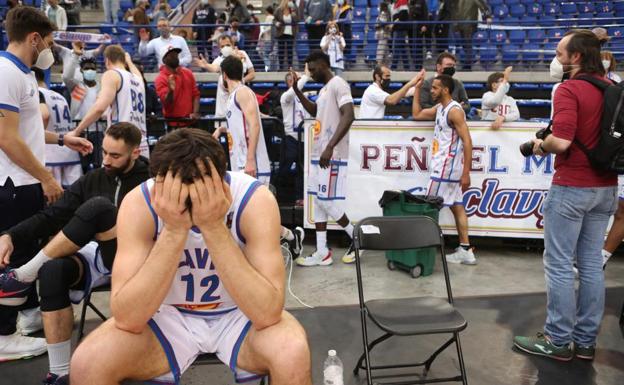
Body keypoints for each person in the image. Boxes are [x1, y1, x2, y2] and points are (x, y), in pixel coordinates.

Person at [69, 128, 312, 385]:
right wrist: (174, 230)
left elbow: (267, 313)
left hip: (240, 315)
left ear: (221, 181)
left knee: (292, 352)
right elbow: (127, 317)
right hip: (167, 316)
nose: (188, 200)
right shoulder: (139, 202)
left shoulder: (253, 199)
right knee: (88, 362)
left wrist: (214, 227)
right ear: (159, 183)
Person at [0, 123, 148, 384]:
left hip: (137, 259)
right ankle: (59, 372)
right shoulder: (94, 178)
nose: (106, 161)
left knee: (100, 208)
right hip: (99, 257)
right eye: (104, 152)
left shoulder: (152, 179)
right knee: (53, 271)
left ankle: (22, 277)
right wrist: (11, 235)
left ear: (135, 153)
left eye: (115, 156)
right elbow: (52, 215)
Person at [513, 30, 616, 362]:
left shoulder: (569, 88)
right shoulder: (612, 88)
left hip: (573, 186)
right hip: (606, 187)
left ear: (575, 57)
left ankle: (557, 339)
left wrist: (541, 144)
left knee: (558, 264)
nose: (555, 60)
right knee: (590, 265)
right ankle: (585, 342)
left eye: (559, 54)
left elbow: (564, 141)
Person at [0, 6, 91, 363]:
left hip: (23, 181)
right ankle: (4, 336)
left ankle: (23, 317)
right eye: (49, 42)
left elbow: (27, 131)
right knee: (11, 257)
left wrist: (63, 139)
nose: (50, 50)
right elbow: (6, 138)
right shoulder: (6, 71)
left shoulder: (20, 74)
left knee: (23, 254)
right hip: (14, 183)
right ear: (34, 38)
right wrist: (47, 177)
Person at [289, 51, 356, 266]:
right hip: (320, 153)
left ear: (324, 64)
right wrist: (297, 92)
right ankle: (321, 251)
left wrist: (330, 146)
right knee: (318, 201)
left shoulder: (339, 84)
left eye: (313, 68)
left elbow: (349, 114)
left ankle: (357, 237)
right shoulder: (325, 90)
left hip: (332, 153)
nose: (312, 72)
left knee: (325, 201)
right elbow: (315, 111)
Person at [412, 71, 476, 265]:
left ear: (445, 90)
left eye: (435, 87)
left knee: (428, 208)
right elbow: (417, 114)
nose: (431, 91)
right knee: (458, 207)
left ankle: (422, 250)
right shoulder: (440, 107)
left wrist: (466, 173)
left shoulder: (454, 111)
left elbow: (467, 141)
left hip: (445, 169)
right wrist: (416, 89)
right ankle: (465, 250)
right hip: (446, 168)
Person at [69, 45, 149, 158]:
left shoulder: (112, 74)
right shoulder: (138, 79)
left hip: (121, 139)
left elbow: (99, 108)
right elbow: (136, 72)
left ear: (107, 60)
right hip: (141, 141)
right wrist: (129, 61)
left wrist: (77, 131)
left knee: (109, 175)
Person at [212, 56, 271, 183]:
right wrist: (222, 130)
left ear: (224, 75)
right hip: (240, 163)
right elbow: (240, 125)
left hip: (251, 165)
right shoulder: (232, 96)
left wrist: (250, 160)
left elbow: (254, 125)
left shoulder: (242, 92)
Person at [34, 68, 83, 188]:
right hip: (69, 149)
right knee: (74, 194)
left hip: (50, 152)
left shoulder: (35, 93)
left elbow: (45, 115)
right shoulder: (59, 95)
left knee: (54, 198)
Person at [194, 34, 256, 118]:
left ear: (233, 45)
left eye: (228, 45)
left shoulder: (242, 54)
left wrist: (241, 82)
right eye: (222, 46)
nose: (225, 48)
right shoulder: (218, 60)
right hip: (224, 100)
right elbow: (215, 68)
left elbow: (252, 74)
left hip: (240, 95)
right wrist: (206, 65)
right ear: (219, 48)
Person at [278, 68, 310, 202]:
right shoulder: (286, 97)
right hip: (291, 138)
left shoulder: (302, 98)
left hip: (303, 138)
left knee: (302, 170)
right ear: (289, 82)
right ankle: (278, 195)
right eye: (294, 80)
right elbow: (293, 91)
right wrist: (306, 76)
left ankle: (300, 197)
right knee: (285, 169)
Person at [154, 46, 201, 129]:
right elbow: (166, 102)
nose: (175, 57)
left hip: (190, 122)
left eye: (176, 54)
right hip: (173, 124)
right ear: (164, 60)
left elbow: (196, 94)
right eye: (171, 55)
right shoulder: (160, 78)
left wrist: (195, 112)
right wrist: (171, 91)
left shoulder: (188, 72)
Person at [451, 0, 492, 70]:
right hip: (460, 23)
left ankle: (468, 65)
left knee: (467, 43)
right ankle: (468, 63)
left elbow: (483, 6)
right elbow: (454, 11)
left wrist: (488, 16)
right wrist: (455, 25)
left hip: (469, 23)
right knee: (465, 44)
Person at [274, 0, 298, 71]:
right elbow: (274, 19)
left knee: (290, 50)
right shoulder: (279, 10)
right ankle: (281, 67)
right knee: (281, 50)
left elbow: (297, 20)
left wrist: (293, 12)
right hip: (281, 33)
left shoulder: (294, 9)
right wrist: (276, 23)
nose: (290, 1)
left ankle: (290, 67)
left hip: (291, 33)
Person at [391, 0, 412, 71]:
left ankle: (393, 68)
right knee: (402, 50)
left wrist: (393, 24)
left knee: (396, 48)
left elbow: (404, 15)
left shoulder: (402, 1)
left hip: (400, 29)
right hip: (398, 29)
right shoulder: (396, 3)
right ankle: (407, 67)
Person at [409, 0, 430, 65]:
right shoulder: (410, 2)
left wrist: (425, 25)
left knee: (418, 45)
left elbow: (425, 13)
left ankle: (419, 65)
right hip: (411, 27)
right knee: (411, 45)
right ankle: (414, 63)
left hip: (419, 27)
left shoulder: (422, 1)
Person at [258, 5, 275, 71]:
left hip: (268, 39)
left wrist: (263, 32)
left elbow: (269, 27)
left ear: (267, 11)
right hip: (272, 39)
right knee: (269, 54)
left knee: (265, 54)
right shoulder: (273, 17)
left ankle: (269, 67)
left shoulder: (269, 17)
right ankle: (270, 67)